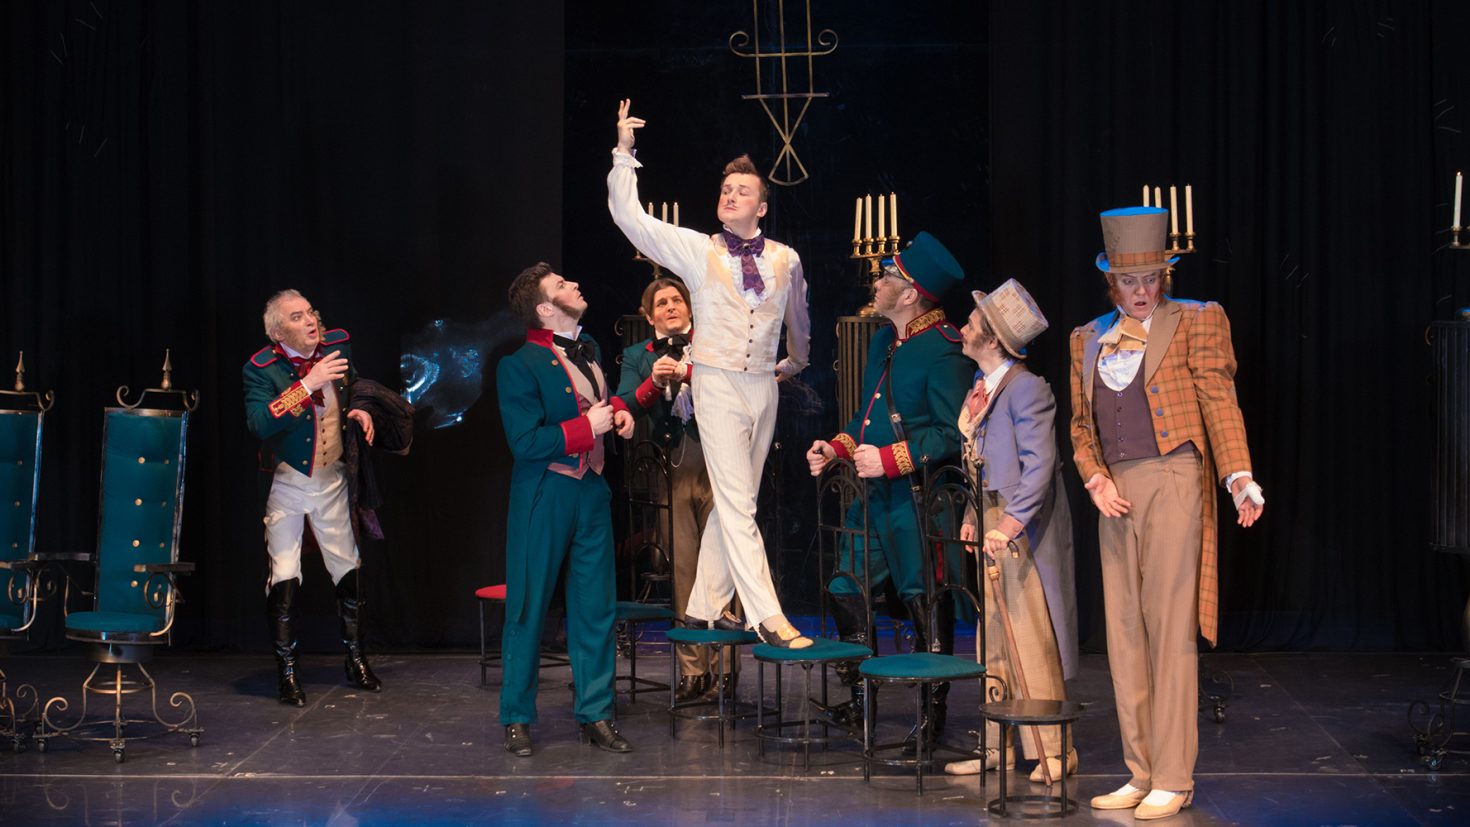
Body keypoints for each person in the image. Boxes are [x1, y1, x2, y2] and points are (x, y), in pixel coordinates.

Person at [1070, 207, 1264, 820]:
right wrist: (1094, 478)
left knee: (1167, 626)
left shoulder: (1197, 322)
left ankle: (1175, 777)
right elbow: (1081, 426)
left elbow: (1219, 402)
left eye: (1152, 278)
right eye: (1131, 281)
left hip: (1175, 477)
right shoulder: (1086, 338)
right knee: (1124, 633)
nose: (1143, 290)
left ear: (1164, 277)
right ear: (1112, 283)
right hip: (1115, 493)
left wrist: (1239, 476)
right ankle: (1141, 769)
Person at [607, 99, 813, 649]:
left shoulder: (786, 259)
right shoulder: (699, 250)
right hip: (717, 382)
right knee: (740, 502)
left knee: (733, 499)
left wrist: (791, 365)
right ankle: (767, 616)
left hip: (761, 388)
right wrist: (624, 153)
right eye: (726, 189)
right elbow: (631, 219)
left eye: (742, 191)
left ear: (761, 207)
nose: (730, 195)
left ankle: (702, 605)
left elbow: (800, 324)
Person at [805, 232, 971, 746]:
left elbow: (949, 432)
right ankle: (860, 705)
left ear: (910, 294)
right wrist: (836, 446)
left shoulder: (946, 350)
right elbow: (866, 416)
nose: (876, 284)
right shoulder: (884, 340)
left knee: (925, 598)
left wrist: (890, 460)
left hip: (917, 499)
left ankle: (931, 715)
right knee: (845, 587)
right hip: (872, 497)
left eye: (886, 278)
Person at [940, 279, 1078, 783]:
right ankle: (998, 746)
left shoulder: (1026, 388)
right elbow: (982, 462)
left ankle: (1055, 752)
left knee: (1030, 636)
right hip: (992, 515)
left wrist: (1010, 523)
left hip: (1023, 523)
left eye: (974, 325)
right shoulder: (983, 388)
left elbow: (1039, 466)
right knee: (992, 639)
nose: (965, 328)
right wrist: (976, 516)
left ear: (993, 339)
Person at [497, 262, 636, 757]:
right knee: (530, 605)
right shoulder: (518, 364)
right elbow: (525, 441)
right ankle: (516, 715)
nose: (574, 284)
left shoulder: (591, 349)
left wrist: (618, 413)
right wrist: (588, 428)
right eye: (561, 285)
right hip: (545, 492)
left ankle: (596, 713)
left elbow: (599, 403)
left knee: (596, 608)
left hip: (591, 491)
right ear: (544, 308)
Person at [243, 289, 382, 707]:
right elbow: (258, 422)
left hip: (332, 478)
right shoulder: (260, 368)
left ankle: (356, 659)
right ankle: (287, 671)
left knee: (348, 566)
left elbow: (353, 383)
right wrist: (307, 385)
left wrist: (360, 409)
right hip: (288, 483)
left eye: (312, 313)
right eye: (298, 316)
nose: (311, 321)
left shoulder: (337, 343)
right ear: (278, 330)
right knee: (285, 572)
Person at [616, 277, 741, 701]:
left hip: (720, 459)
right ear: (650, 316)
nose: (671, 307)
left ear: (689, 308)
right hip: (672, 466)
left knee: (725, 563)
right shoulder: (637, 355)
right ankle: (694, 671)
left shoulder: (712, 342)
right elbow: (623, 406)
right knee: (685, 569)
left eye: (677, 300)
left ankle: (726, 666)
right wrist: (652, 383)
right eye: (661, 303)